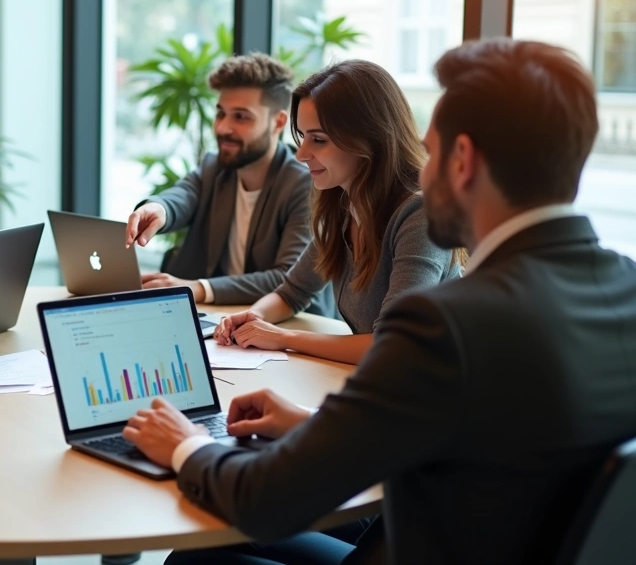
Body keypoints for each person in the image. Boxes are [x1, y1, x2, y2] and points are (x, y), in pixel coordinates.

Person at [124, 39, 636, 564]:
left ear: (462, 162)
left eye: (430, 150)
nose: (421, 167)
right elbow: (479, 443)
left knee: (198, 556)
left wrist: (186, 444)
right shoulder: (627, 290)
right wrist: (308, 424)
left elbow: (263, 500)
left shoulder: (448, 326)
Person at [212, 60, 463, 365]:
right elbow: (293, 292)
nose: (302, 154)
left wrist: (283, 339)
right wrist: (254, 316)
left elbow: (393, 344)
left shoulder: (420, 215)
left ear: (369, 139)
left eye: (318, 140)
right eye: (302, 136)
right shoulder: (342, 203)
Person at [125, 54, 333, 315]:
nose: (223, 128)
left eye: (241, 117)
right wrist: (158, 209)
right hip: (224, 321)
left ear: (278, 122)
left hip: (291, 327)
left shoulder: (304, 183)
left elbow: (288, 277)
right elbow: (182, 196)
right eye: (221, 114)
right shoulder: (214, 169)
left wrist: (198, 288)